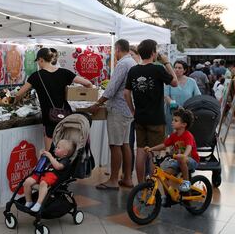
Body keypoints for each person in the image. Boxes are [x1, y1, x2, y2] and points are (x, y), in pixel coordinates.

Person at [14, 48, 92, 150]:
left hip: (49, 116)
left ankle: (51, 165)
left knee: (49, 152)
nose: (38, 64)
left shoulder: (36, 76)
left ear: (41, 59)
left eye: (38, 61)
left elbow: (19, 94)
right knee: (66, 150)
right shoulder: (65, 72)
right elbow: (88, 83)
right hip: (66, 114)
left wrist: (15, 102)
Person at [124, 39, 178, 184]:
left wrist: (133, 110)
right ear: (153, 53)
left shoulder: (133, 70)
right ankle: (152, 185)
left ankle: (141, 185)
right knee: (153, 153)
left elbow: (126, 93)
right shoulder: (158, 69)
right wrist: (166, 63)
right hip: (156, 118)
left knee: (140, 151)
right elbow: (175, 82)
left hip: (140, 117)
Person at [90, 39, 136, 190]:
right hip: (127, 109)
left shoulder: (123, 63)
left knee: (115, 145)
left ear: (117, 49)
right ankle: (128, 178)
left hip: (118, 108)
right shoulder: (132, 62)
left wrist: (98, 103)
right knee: (125, 144)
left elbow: (112, 87)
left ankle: (113, 180)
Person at [145, 108, 199, 194]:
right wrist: (151, 148)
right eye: (173, 119)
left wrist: (184, 155)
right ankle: (168, 196)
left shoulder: (188, 135)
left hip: (192, 160)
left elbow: (189, 147)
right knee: (164, 176)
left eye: (176, 120)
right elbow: (164, 145)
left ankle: (186, 182)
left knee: (181, 159)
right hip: (179, 161)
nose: (172, 122)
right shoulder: (174, 136)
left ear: (184, 124)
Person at [23, 139, 76, 212]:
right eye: (56, 147)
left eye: (58, 148)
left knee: (43, 182)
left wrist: (50, 157)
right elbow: (42, 164)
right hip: (43, 174)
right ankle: (29, 201)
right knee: (27, 181)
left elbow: (58, 166)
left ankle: (38, 204)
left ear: (65, 153)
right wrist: (41, 156)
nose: (55, 149)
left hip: (52, 176)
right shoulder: (55, 157)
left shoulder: (65, 160)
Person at [165, 61, 201, 134]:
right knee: (173, 135)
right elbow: (166, 96)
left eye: (179, 68)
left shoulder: (192, 82)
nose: (177, 70)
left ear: (184, 70)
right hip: (172, 113)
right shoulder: (169, 81)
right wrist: (176, 106)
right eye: (175, 68)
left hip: (187, 113)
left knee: (185, 135)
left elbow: (197, 96)